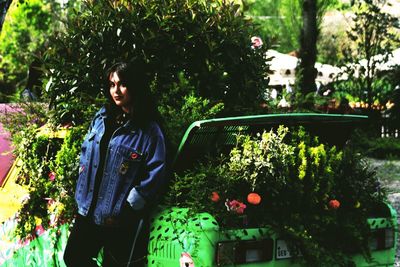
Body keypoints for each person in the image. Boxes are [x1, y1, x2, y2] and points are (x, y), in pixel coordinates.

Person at [63, 61, 167, 267]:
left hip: (118, 217)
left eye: (122, 84)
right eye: (112, 84)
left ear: (135, 86)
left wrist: (131, 204)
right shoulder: (101, 117)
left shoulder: (148, 129)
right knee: (73, 258)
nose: (116, 91)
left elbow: (157, 169)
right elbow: (86, 154)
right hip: (88, 210)